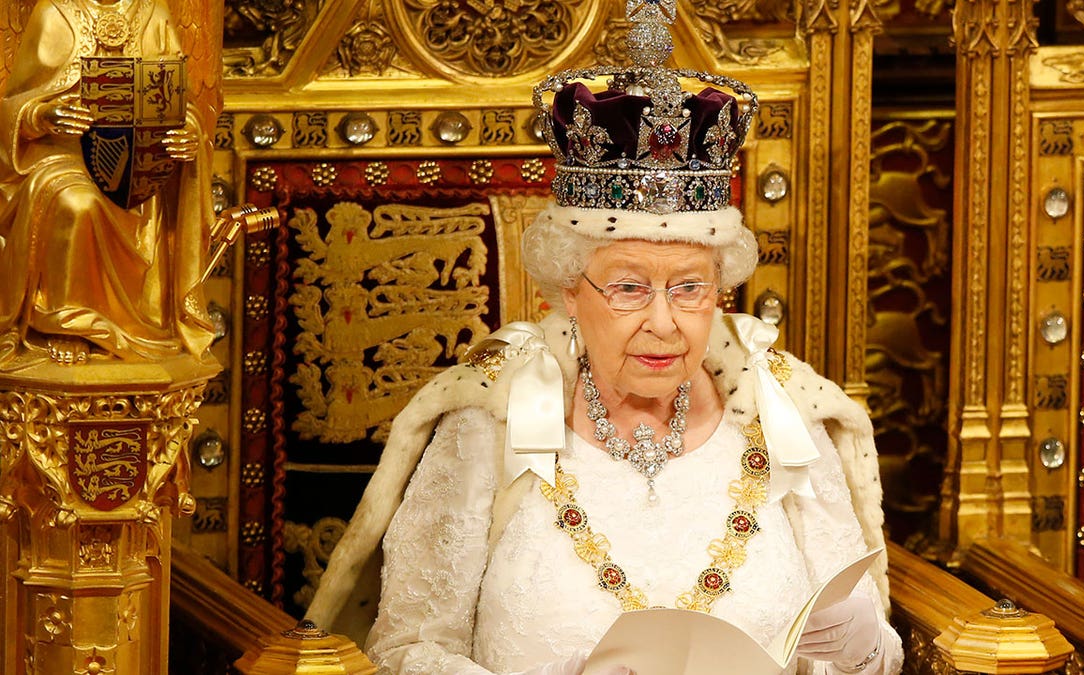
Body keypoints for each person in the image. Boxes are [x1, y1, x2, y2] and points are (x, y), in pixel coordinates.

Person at [306, 2, 902, 673]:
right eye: (627, 287)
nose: (664, 321)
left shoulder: (783, 414)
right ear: (567, 289)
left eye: (689, 288)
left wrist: (860, 649)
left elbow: (869, 650)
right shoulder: (489, 420)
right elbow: (408, 650)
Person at [0, 0, 214, 365]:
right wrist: (42, 114)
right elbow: (13, 106)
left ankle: (141, 323)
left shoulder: (153, 11)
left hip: (140, 164)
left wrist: (187, 132)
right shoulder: (55, 11)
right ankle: (67, 324)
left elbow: (181, 100)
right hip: (62, 156)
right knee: (77, 204)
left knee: (136, 198)